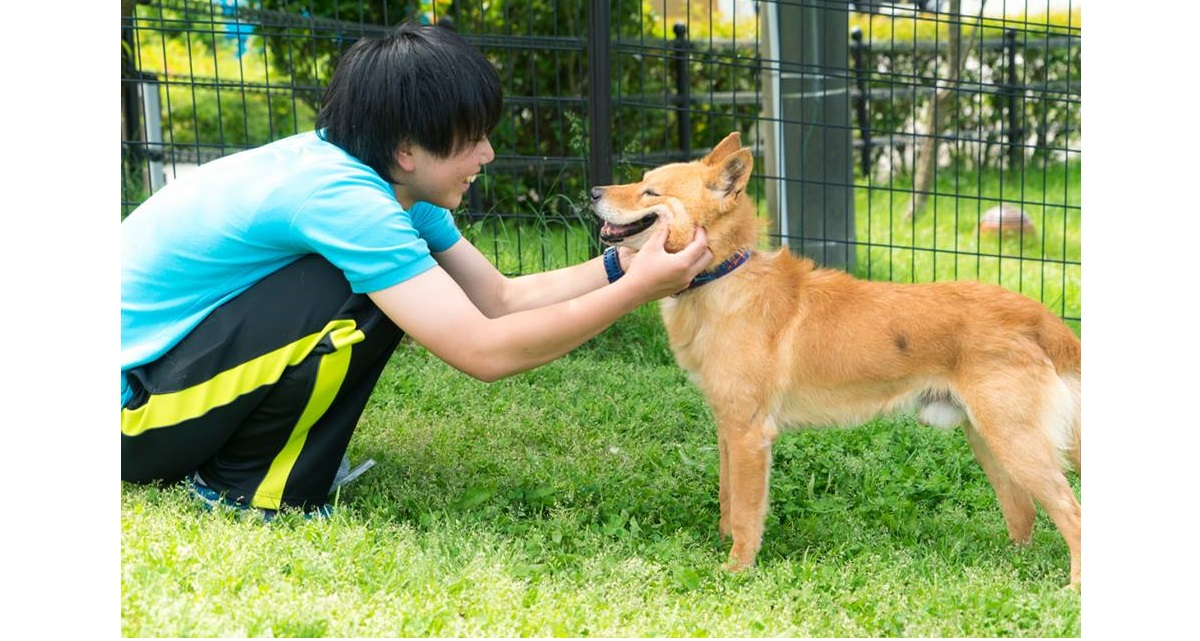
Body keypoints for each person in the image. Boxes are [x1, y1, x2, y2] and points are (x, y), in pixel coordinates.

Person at [121, 21, 712, 517]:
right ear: (407, 150)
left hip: (158, 382)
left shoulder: (378, 176)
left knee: (381, 284)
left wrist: (621, 264)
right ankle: (244, 490)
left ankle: (243, 456)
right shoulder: (344, 202)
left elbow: (498, 299)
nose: (488, 156)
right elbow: (484, 350)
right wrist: (638, 291)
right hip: (127, 417)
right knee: (346, 291)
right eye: (473, 140)